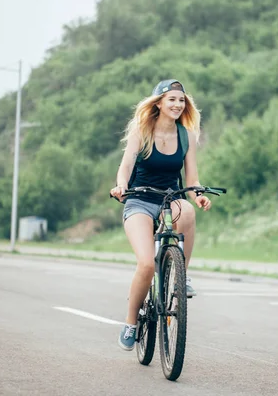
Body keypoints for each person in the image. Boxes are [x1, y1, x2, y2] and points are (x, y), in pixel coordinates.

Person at [110, 79, 212, 351]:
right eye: (172, 100)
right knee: (145, 264)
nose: (178, 105)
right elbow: (126, 165)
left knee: (188, 211)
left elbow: (192, 178)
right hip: (140, 201)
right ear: (158, 103)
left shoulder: (186, 136)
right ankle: (131, 323)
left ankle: (182, 276)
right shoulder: (141, 132)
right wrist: (121, 186)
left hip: (171, 199)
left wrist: (197, 195)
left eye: (182, 101)